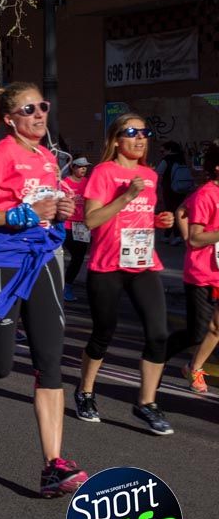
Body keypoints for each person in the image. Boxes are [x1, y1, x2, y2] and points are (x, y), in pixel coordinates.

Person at [0, 81, 87, 498]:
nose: (39, 114)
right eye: (29, 110)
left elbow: (43, 206)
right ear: (10, 119)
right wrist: (23, 213)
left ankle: (53, 466)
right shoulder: (0, 154)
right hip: (1, 263)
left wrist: (59, 209)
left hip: (41, 259)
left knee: (50, 360)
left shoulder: (47, 157)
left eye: (42, 106)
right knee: (1, 363)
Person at [74, 114, 176, 434]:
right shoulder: (103, 173)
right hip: (107, 265)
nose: (140, 137)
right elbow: (91, 220)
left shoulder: (149, 175)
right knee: (103, 333)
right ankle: (85, 392)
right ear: (116, 139)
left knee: (158, 333)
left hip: (143, 263)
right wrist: (126, 196)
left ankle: (146, 403)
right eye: (131, 132)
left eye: (145, 132)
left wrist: (160, 221)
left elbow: (143, 217)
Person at [169, 140, 219, 394]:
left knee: (217, 327)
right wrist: (189, 239)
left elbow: (180, 209)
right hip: (202, 272)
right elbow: (197, 237)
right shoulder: (207, 194)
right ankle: (158, 353)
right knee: (197, 332)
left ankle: (194, 367)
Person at [59, 156, 91, 301]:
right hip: (66, 224)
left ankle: (68, 285)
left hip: (82, 226)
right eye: (80, 166)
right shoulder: (64, 183)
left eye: (85, 166)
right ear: (73, 167)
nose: (83, 169)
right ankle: (56, 284)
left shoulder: (88, 183)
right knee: (59, 256)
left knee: (78, 258)